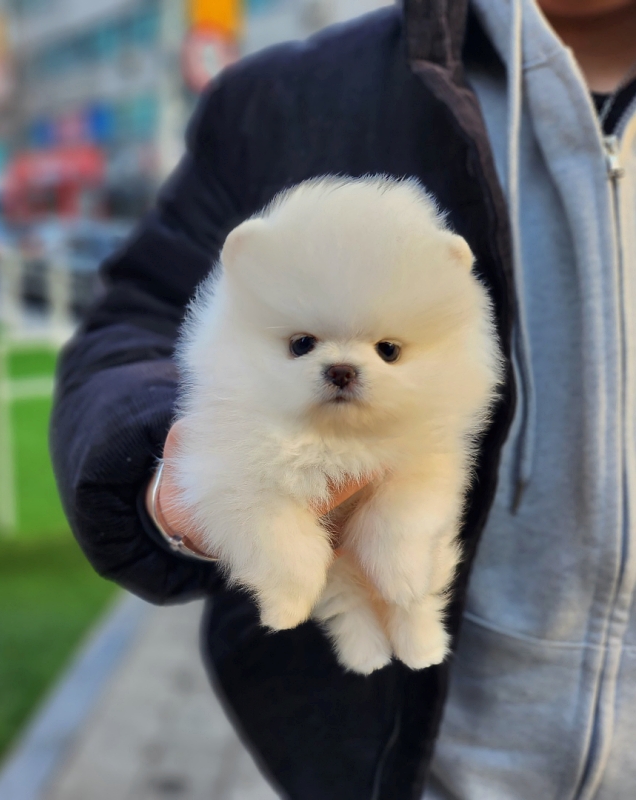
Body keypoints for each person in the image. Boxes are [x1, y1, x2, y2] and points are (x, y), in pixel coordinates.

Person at [49, 0, 636, 797]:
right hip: (395, 763)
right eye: (307, 346)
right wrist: (172, 465)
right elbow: (136, 323)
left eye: (384, 350)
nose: (345, 367)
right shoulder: (284, 101)